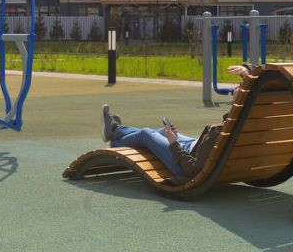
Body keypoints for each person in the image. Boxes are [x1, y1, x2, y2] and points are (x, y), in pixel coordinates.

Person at [100, 64, 257, 181]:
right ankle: (116, 131)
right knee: (160, 132)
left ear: (243, 98)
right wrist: (246, 72)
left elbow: (192, 170)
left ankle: (116, 137)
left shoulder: (222, 130)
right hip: (193, 147)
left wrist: (174, 143)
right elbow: (257, 92)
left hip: (182, 164)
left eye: (240, 85)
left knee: (146, 134)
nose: (236, 86)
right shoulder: (247, 121)